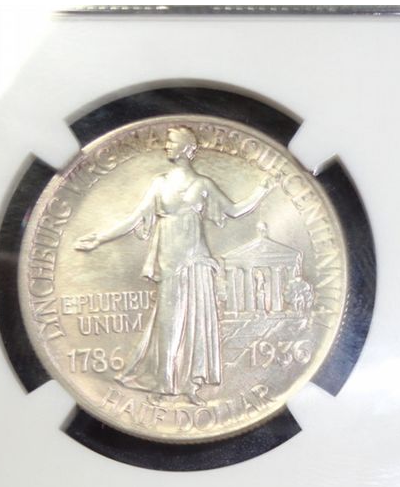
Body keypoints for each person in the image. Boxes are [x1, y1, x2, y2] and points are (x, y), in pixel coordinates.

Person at [74, 126, 272, 403]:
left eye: (172, 141)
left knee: (197, 320)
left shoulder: (203, 184)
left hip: (196, 259)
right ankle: (165, 383)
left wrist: (262, 191)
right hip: (169, 259)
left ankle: (191, 386)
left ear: (187, 148)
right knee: (169, 323)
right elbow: (134, 219)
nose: (167, 145)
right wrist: (99, 238)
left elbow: (235, 210)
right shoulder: (160, 183)